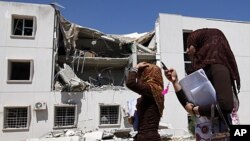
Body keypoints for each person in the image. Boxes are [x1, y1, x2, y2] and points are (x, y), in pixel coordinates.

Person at [164, 28, 240, 140]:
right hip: (206, 132)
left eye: (189, 45)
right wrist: (175, 82)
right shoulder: (201, 71)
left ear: (201, 44)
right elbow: (188, 106)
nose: (186, 50)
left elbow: (226, 105)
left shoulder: (218, 68)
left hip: (223, 133)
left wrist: (196, 110)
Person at [126, 62, 164, 141]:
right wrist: (134, 118)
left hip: (148, 138)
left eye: (142, 72)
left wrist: (135, 68)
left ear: (148, 74)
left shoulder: (152, 89)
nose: (140, 75)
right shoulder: (153, 92)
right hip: (145, 136)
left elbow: (130, 83)